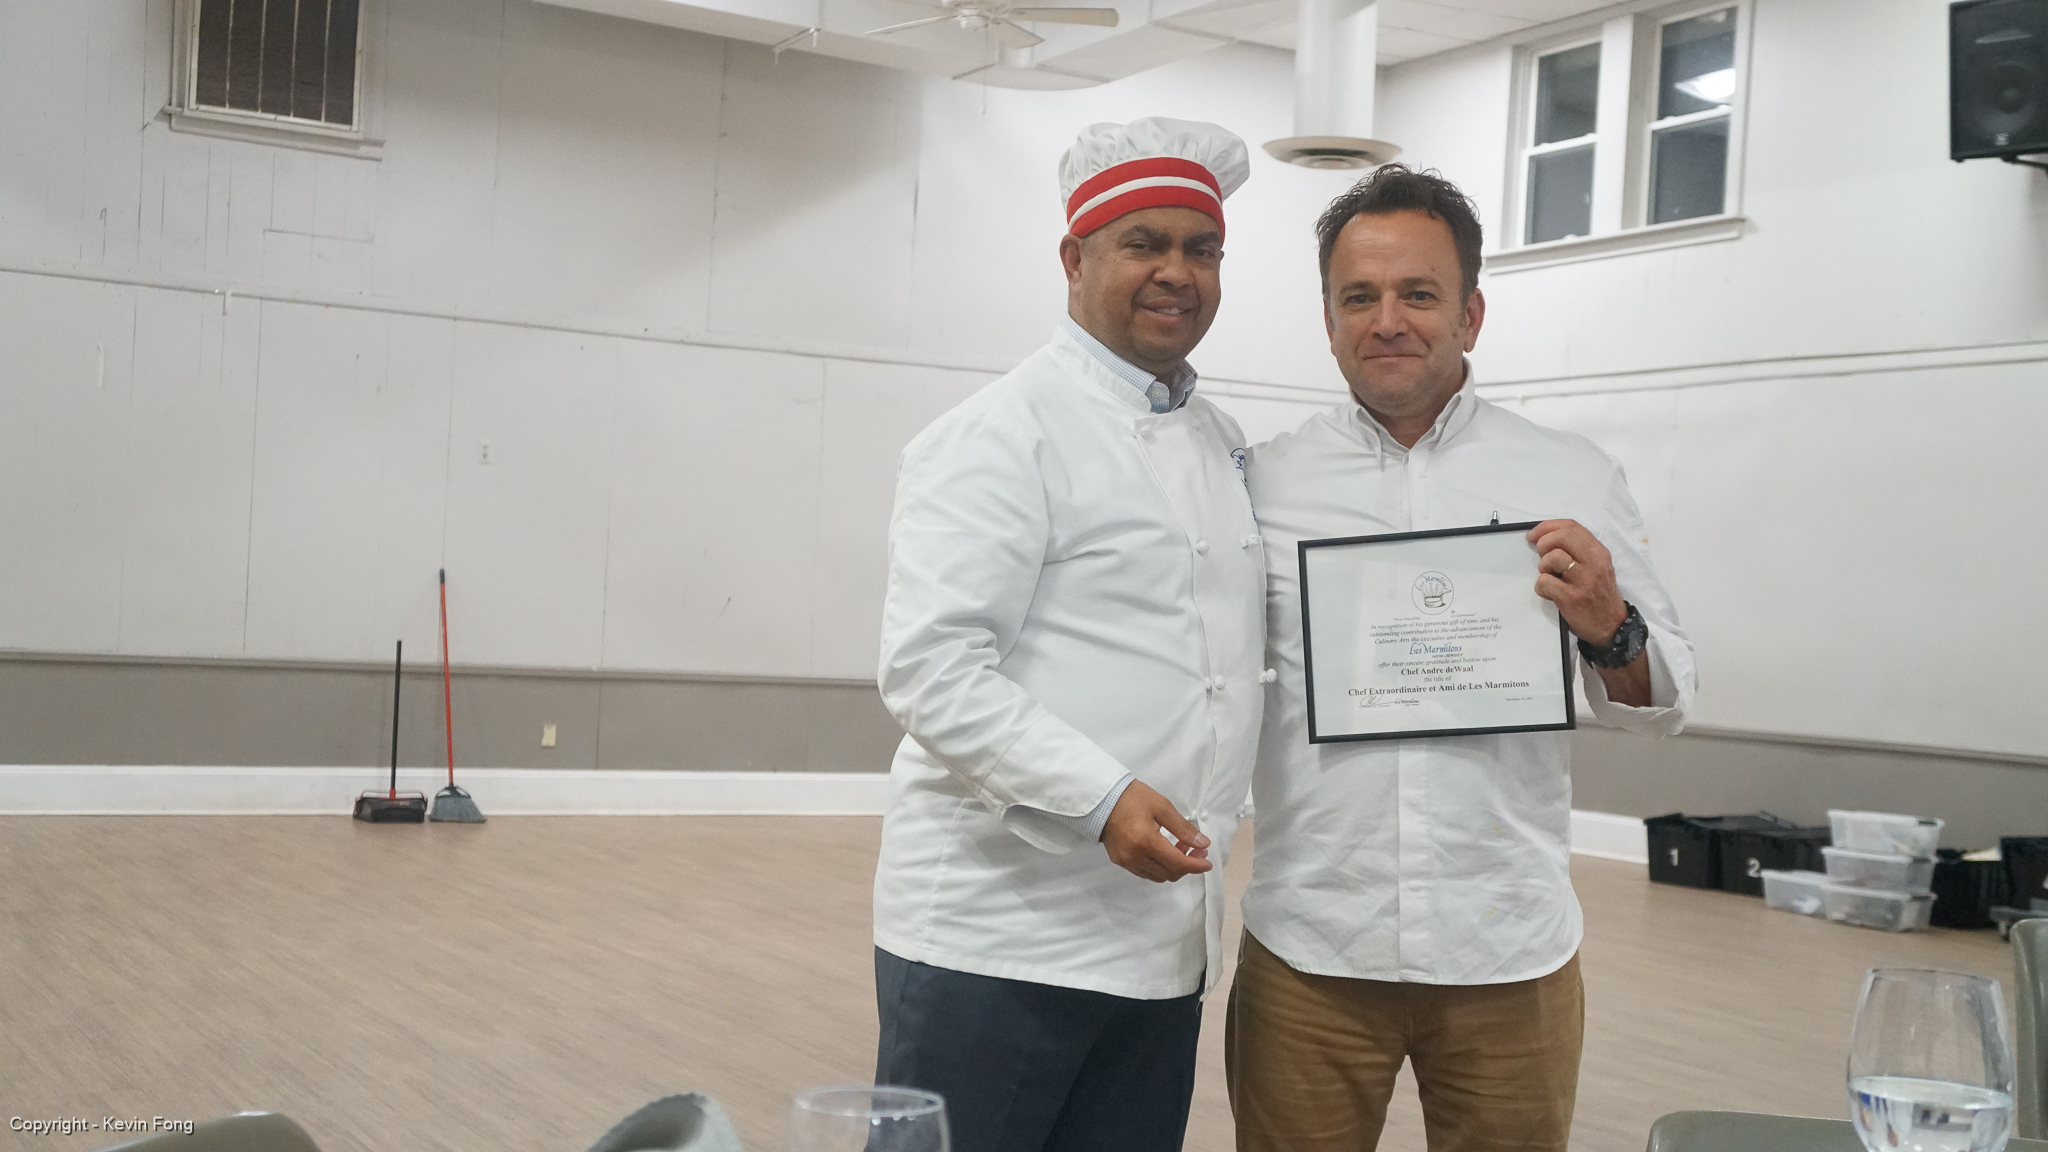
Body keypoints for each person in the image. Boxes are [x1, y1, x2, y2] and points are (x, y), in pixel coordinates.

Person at [1226, 164, 1698, 1152]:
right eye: (1359, 296)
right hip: (1312, 949)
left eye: (1418, 294)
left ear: (1470, 314)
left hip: (1508, 950)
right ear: (1328, 320)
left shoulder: (1568, 475)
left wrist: (1609, 624)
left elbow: (1662, 702)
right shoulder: (1261, 485)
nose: (1387, 320)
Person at [870, 118, 1267, 1152]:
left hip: (1161, 944)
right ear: (1074, 258)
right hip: (996, 940)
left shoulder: (1221, 444)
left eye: (1202, 248)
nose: (1177, 272)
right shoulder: (1001, 432)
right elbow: (930, 669)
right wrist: (1100, 798)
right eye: (1144, 243)